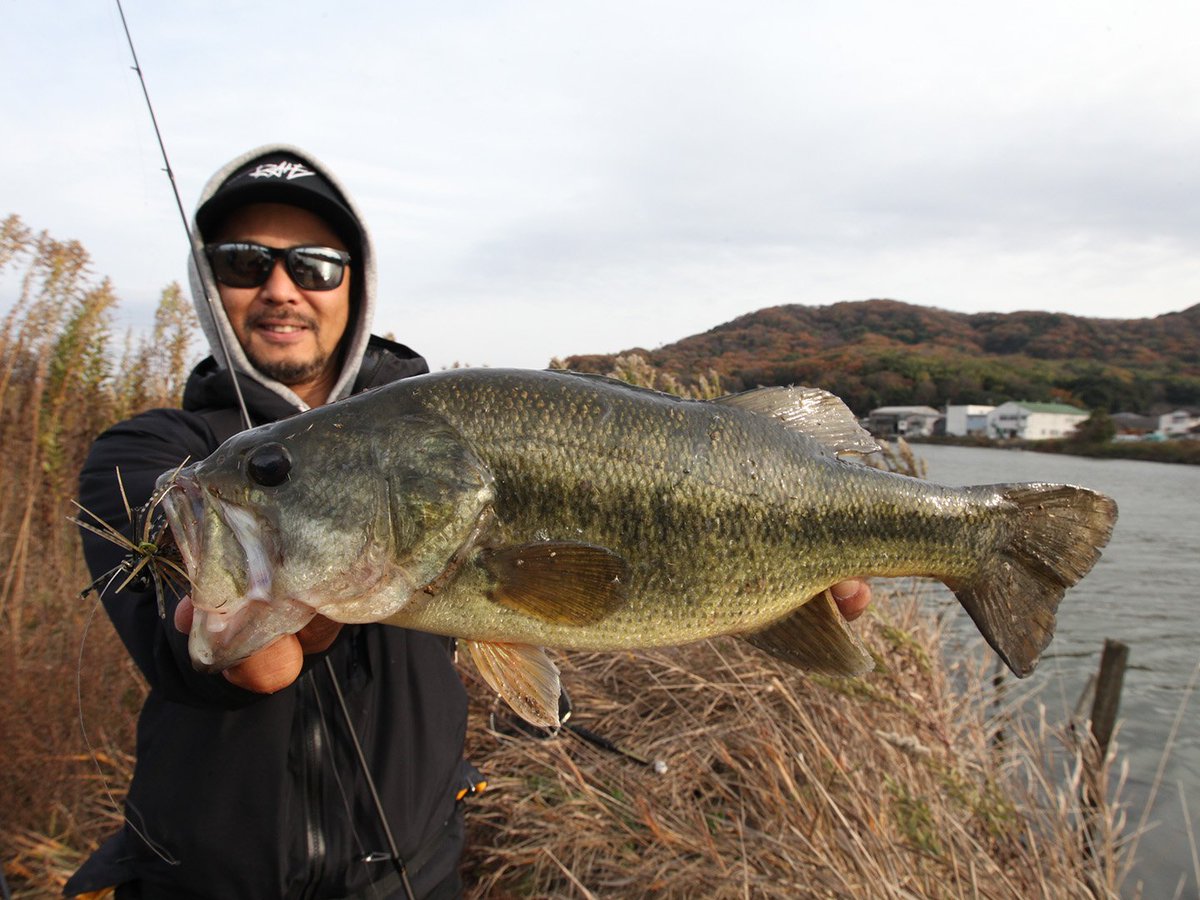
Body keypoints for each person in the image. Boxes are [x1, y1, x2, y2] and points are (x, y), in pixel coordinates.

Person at [69, 144, 872, 898]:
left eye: (315, 265)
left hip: (414, 878)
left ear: (356, 287)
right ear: (208, 286)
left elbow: (579, 590)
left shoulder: (427, 435)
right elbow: (209, 651)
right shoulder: (151, 452)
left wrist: (769, 579)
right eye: (245, 263)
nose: (282, 289)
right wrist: (236, 623)